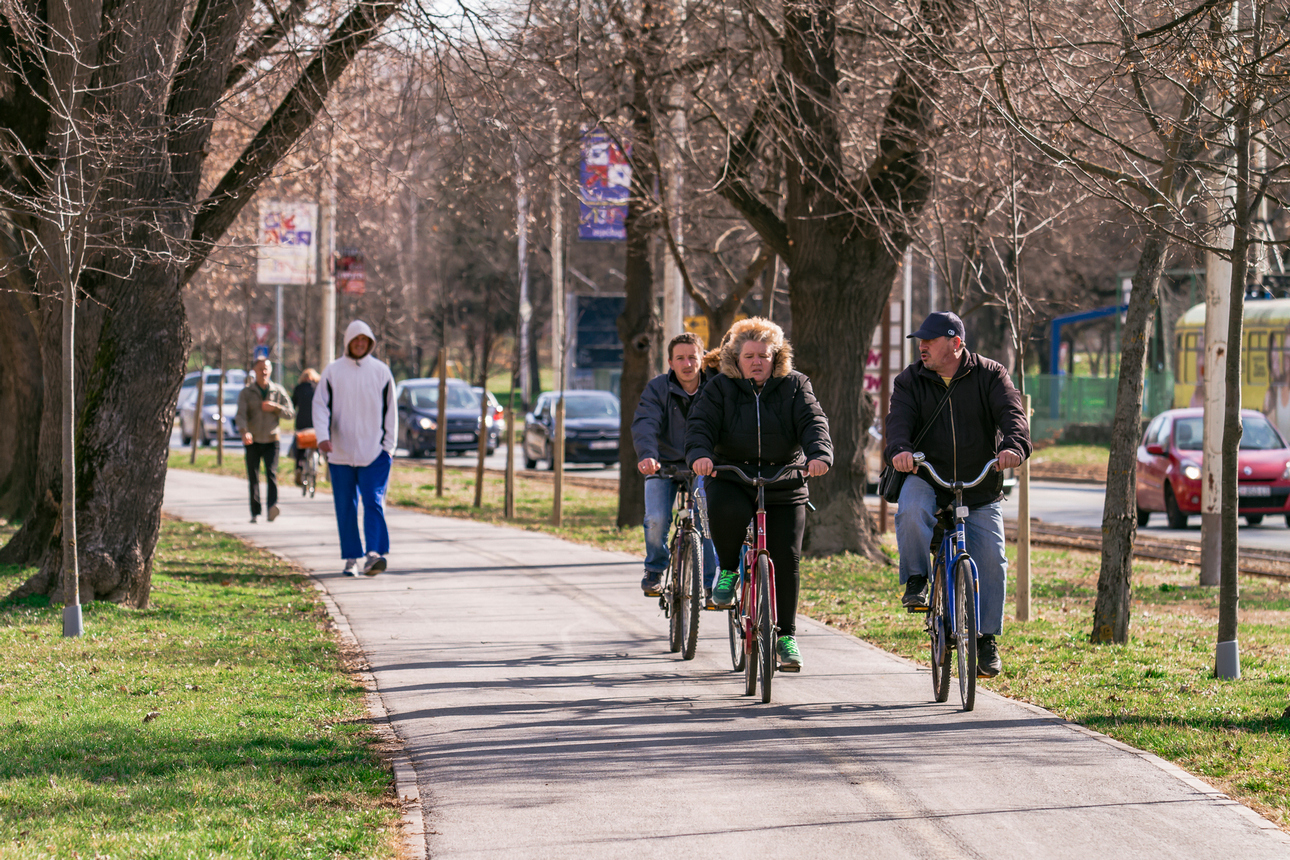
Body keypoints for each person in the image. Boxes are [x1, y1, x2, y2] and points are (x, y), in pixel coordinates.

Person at [885, 311, 1030, 678]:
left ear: (955, 343)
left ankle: (986, 640)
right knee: (912, 510)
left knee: (993, 560)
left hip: (978, 483)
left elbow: (1013, 414)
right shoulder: (910, 380)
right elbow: (897, 422)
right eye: (921, 341)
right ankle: (917, 579)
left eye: (930, 341)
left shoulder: (990, 374)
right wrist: (899, 450)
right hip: (926, 475)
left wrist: (1014, 445)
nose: (922, 347)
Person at [686, 318, 832, 672]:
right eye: (749, 355)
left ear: (776, 356)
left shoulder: (796, 385)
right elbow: (700, 424)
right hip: (733, 473)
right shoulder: (720, 388)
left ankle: (786, 636)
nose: (756, 362)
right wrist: (701, 456)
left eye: (763, 356)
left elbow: (813, 421)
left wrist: (819, 454)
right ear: (736, 357)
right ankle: (728, 569)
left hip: (784, 476)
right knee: (726, 510)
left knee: (786, 557)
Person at [631, 331, 718, 602]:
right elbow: (645, 422)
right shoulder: (657, 388)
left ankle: (710, 584)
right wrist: (648, 455)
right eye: (680, 358)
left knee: (708, 520)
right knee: (655, 519)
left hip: (704, 464)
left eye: (693, 357)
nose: (687, 363)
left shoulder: (714, 386)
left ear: (702, 359)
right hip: (663, 464)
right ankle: (655, 569)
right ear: (670, 362)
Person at [314, 321, 398, 577]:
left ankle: (374, 555)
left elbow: (391, 411)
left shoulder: (381, 372)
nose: (360, 343)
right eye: (356, 339)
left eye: (365, 339)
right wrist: (323, 437)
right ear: (348, 342)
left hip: (375, 453)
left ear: (371, 342)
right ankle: (351, 558)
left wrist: (388, 448)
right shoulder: (333, 371)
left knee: (373, 501)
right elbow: (320, 406)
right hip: (339, 453)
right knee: (345, 506)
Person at [235, 356, 295, 524]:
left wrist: (275, 408)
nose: (264, 372)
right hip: (252, 440)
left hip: (272, 439)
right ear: (254, 371)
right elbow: (240, 415)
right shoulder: (246, 392)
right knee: (253, 477)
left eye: (267, 369)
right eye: (260, 368)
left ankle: (272, 507)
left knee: (271, 474)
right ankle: (255, 512)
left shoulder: (278, 390)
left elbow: (290, 413)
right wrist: (244, 432)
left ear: (270, 371)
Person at [290, 368, 320, 485]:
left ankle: (298, 467)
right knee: (316, 442)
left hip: (301, 423)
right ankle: (318, 458)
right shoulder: (318, 387)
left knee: (299, 447)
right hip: (316, 423)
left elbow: (293, 404)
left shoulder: (298, 388)